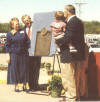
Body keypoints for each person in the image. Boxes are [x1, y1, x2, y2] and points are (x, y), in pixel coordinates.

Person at [55, 5, 85, 101]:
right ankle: (77, 96)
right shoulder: (79, 21)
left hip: (69, 55)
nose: (64, 14)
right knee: (76, 77)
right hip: (77, 54)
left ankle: (70, 98)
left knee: (68, 77)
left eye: (64, 12)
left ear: (67, 12)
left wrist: (57, 41)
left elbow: (68, 37)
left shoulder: (71, 22)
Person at [5, 17, 29, 92]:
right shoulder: (9, 34)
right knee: (15, 70)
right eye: (16, 24)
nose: (17, 25)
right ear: (12, 25)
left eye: (18, 24)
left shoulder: (23, 31)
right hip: (14, 54)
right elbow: (7, 45)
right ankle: (16, 86)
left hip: (23, 54)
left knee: (24, 70)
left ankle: (25, 85)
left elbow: (27, 42)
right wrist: (8, 55)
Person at [21, 15, 41, 91]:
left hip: (37, 51)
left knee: (36, 68)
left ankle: (35, 85)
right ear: (23, 22)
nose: (26, 21)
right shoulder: (22, 30)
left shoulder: (36, 27)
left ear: (30, 19)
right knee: (29, 69)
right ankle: (31, 85)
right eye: (24, 21)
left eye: (27, 20)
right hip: (27, 52)